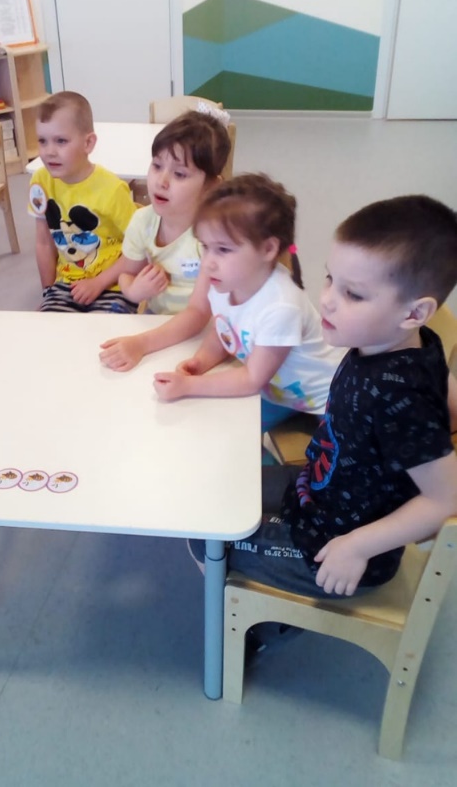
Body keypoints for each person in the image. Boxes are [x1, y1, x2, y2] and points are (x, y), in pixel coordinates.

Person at [189, 194, 457, 618]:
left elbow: (446, 498)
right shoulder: (398, 342)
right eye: (331, 278)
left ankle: (262, 630)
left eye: (354, 294)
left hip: (338, 550)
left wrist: (357, 547)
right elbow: (444, 393)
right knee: (212, 490)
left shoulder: (399, 396)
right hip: (316, 491)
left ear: (414, 313)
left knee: (202, 534)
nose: (328, 299)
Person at [152, 174, 343, 437]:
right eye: (205, 247)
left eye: (223, 249)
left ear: (268, 249)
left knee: (328, 452)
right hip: (278, 390)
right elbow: (224, 331)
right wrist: (200, 362)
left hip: (325, 398)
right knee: (220, 431)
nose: (208, 262)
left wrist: (188, 386)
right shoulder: (225, 282)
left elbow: (252, 379)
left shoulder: (281, 306)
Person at [28, 91, 137, 312]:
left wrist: (98, 283)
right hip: (66, 284)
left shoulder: (112, 189)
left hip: (114, 284)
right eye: (42, 141)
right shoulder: (40, 181)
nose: (49, 152)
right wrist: (48, 291)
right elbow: (44, 242)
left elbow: (139, 248)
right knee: (46, 328)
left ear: (88, 143)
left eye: (61, 141)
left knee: (102, 331)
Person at [115, 109, 231, 314]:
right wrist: (134, 291)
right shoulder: (142, 221)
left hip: (208, 322)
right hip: (157, 318)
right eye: (157, 166)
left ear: (211, 186)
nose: (161, 182)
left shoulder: (215, 235)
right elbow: (126, 274)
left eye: (179, 174)